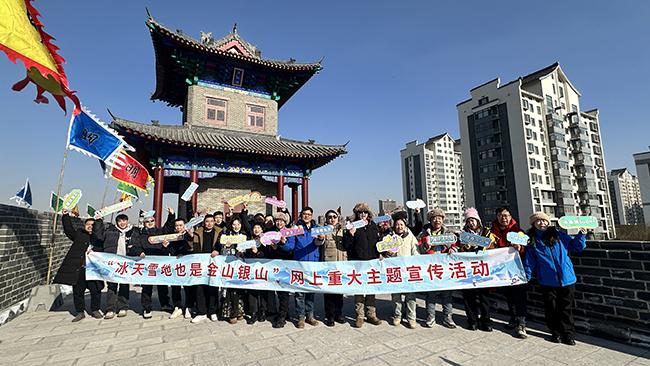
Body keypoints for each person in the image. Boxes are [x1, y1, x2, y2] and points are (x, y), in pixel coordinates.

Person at [525, 212, 586, 346]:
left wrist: (581, 235)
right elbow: (530, 261)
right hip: (547, 280)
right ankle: (555, 332)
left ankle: (568, 334)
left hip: (567, 278)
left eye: (544, 221)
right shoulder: (532, 241)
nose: (542, 223)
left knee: (566, 308)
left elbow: (576, 246)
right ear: (533, 224)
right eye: (538, 221)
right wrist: (527, 276)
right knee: (551, 308)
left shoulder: (559, 235)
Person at [53, 209, 103, 322]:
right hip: (79, 268)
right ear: (84, 225)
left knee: (96, 290)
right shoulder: (79, 235)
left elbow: (100, 234)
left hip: (93, 270)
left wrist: (99, 221)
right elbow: (68, 229)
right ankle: (80, 312)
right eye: (88, 224)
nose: (90, 226)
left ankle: (95, 309)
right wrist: (65, 215)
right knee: (78, 291)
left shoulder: (98, 238)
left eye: (93, 225)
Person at [281, 207, 325, 328]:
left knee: (310, 292)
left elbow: (318, 244)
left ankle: (310, 315)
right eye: (304, 214)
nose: (306, 216)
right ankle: (300, 317)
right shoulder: (295, 229)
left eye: (309, 214)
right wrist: (284, 242)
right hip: (299, 264)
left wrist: (321, 239)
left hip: (312, 264)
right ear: (301, 215)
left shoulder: (317, 229)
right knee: (299, 293)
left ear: (312, 216)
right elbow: (290, 247)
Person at [92, 213, 141, 319]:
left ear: (127, 221)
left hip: (126, 262)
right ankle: (110, 309)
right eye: (120, 221)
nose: (122, 223)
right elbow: (98, 236)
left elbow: (138, 244)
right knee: (111, 285)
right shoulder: (110, 231)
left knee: (124, 284)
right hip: (112, 262)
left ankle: (123, 307)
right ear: (116, 222)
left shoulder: (134, 231)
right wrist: (99, 222)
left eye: (124, 220)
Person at [490, 206, 528, 338]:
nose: (503, 218)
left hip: (517, 270)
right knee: (509, 296)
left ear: (511, 217)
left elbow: (526, 247)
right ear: (497, 217)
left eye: (506, 215)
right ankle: (513, 319)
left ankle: (521, 324)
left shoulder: (518, 231)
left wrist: (520, 248)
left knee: (520, 297)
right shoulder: (491, 232)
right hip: (502, 271)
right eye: (500, 215)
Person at [343, 202, 382, 328]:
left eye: (365, 212)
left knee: (371, 290)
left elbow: (379, 242)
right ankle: (359, 315)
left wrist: (381, 253)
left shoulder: (373, 226)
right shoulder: (351, 227)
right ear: (356, 214)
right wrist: (350, 234)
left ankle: (371, 314)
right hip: (358, 263)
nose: (363, 215)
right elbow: (346, 246)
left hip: (372, 262)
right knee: (359, 290)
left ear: (368, 214)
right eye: (360, 213)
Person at [418, 208, 457, 329]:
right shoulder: (424, 233)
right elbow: (418, 248)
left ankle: (448, 318)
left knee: (447, 294)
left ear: (443, 220)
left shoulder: (448, 232)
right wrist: (425, 246)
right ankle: (430, 317)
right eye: (434, 218)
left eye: (439, 218)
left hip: (445, 268)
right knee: (431, 294)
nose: (437, 220)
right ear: (430, 220)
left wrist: (452, 249)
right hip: (430, 268)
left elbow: (456, 245)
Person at [458, 207, 496, 331]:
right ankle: (472, 320)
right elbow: (458, 250)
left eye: (473, 220)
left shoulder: (487, 232)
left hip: (482, 269)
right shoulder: (462, 234)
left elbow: (493, 247)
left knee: (484, 297)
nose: (471, 223)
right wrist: (465, 247)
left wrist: (482, 247)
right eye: (469, 220)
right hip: (467, 270)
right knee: (469, 297)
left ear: (478, 220)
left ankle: (486, 321)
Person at [138, 208, 176, 318]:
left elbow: (169, 226)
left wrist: (171, 215)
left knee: (162, 285)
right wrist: (139, 252)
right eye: (147, 222)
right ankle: (147, 308)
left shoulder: (160, 232)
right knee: (147, 287)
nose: (150, 223)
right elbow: (135, 246)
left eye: (152, 221)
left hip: (161, 263)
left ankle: (165, 304)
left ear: (155, 222)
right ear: (144, 223)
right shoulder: (140, 235)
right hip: (147, 264)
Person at [188, 214, 222, 323]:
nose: (209, 223)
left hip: (213, 263)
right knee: (200, 287)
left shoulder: (219, 232)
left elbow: (221, 245)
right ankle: (201, 312)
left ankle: (213, 311)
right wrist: (190, 236)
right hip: (201, 263)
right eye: (207, 221)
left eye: (211, 221)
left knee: (213, 287)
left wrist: (218, 250)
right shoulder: (198, 232)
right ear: (204, 222)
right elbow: (193, 246)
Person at [386, 217, 419, 329]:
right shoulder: (390, 238)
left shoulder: (410, 237)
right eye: (397, 225)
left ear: (405, 226)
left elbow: (415, 251)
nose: (399, 227)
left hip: (408, 270)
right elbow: (385, 253)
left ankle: (411, 318)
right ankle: (397, 316)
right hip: (395, 270)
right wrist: (388, 253)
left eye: (401, 225)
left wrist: (415, 262)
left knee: (410, 296)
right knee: (396, 296)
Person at [319, 209, 347, 326]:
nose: (332, 219)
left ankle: (338, 314)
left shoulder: (343, 230)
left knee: (339, 292)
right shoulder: (323, 231)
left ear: (337, 218)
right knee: (329, 293)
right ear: (326, 219)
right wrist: (320, 238)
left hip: (341, 265)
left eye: (334, 217)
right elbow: (318, 243)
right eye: (329, 217)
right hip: (328, 266)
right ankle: (329, 316)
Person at [219, 216, 248, 324]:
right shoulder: (226, 237)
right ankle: (231, 313)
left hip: (240, 267)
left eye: (238, 224)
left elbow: (247, 251)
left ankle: (240, 312)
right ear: (231, 225)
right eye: (234, 224)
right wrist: (226, 247)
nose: (236, 226)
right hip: (229, 267)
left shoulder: (244, 236)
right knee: (229, 291)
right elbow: (222, 252)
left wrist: (242, 252)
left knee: (239, 290)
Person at [266, 211, 293, 328]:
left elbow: (291, 248)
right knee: (277, 290)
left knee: (284, 292)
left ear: (285, 222)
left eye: (281, 220)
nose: (279, 222)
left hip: (285, 266)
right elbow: (267, 248)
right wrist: (272, 247)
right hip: (273, 265)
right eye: (277, 220)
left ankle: (281, 318)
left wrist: (283, 243)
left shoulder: (289, 232)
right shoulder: (271, 233)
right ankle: (285, 312)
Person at [164, 218, 193, 320]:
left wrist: (190, 237)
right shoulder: (172, 237)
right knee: (175, 286)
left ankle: (188, 307)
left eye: (181, 225)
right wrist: (165, 246)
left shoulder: (188, 235)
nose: (178, 227)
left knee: (188, 287)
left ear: (184, 226)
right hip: (175, 264)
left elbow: (191, 248)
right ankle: (178, 307)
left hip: (187, 264)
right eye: (177, 226)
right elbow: (170, 250)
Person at [244, 222, 267, 324]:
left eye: (259, 227)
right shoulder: (249, 241)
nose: (256, 229)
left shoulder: (266, 240)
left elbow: (268, 253)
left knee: (262, 291)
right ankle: (253, 313)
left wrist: (257, 252)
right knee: (252, 291)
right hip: (251, 269)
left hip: (263, 270)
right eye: (255, 228)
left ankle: (262, 312)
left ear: (262, 230)